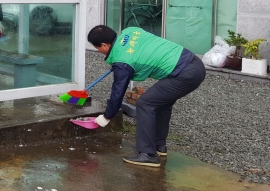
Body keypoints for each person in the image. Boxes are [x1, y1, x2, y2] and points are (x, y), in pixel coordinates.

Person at [88, 25, 206, 167]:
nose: (99, 51)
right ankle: (158, 145)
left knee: (145, 103)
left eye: (97, 48)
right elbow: (142, 48)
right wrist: (119, 63)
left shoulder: (122, 62)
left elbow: (117, 92)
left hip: (185, 74)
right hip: (193, 62)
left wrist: (107, 116)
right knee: (162, 102)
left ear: (104, 45)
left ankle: (148, 154)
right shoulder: (130, 31)